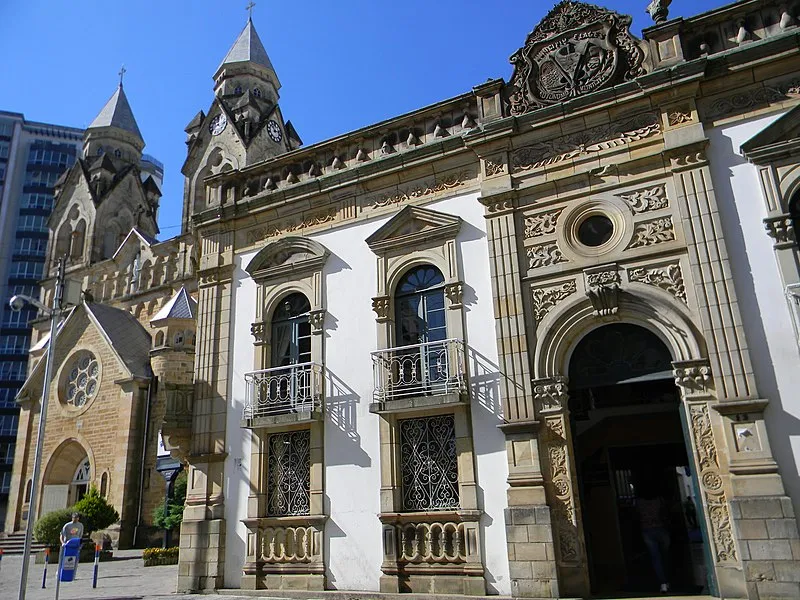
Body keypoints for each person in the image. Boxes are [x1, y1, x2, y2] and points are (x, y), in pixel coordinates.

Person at [636, 479, 671, 594]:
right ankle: (668, 579)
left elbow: (636, 516)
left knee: (656, 557)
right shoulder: (659, 500)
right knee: (665, 556)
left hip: (647, 531)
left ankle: (663, 583)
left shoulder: (639, 502)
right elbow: (665, 513)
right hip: (661, 529)